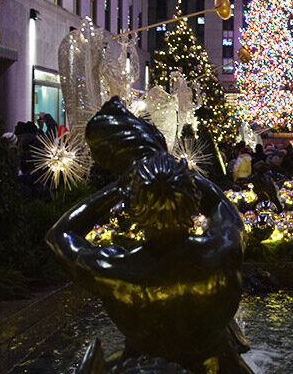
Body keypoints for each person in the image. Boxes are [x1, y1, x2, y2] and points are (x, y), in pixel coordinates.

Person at [45, 97, 251, 373]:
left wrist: (121, 185)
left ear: (131, 208)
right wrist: (172, 169)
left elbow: (60, 235)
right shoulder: (224, 250)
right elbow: (221, 206)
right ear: (192, 196)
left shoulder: (117, 271)